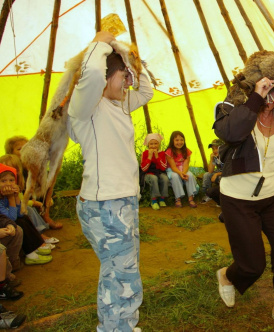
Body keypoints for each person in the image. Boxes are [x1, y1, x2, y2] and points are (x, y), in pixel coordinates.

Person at [213, 50, 274, 332]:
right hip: (238, 199)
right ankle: (228, 277)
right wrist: (255, 99)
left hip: (273, 197)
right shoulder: (233, 109)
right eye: (269, 88)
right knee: (252, 265)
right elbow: (230, 133)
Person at [67, 31, 153, 332]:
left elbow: (147, 92)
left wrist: (128, 61)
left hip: (119, 201)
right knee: (121, 274)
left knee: (121, 272)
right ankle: (116, 328)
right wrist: (103, 43)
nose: (129, 83)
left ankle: (120, 326)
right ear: (106, 77)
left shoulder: (116, 104)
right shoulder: (87, 106)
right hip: (106, 205)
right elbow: (90, 72)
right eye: (122, 76)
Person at [4, 136, 62, 229]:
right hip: (19, 201)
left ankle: (46, 217)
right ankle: (39, 223)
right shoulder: (12, 171)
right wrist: (34, 202)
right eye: (19, 149)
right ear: (11, 153)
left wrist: (48, 196)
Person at [0, 164, 53, 265]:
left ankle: (35, 247)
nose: (8, 184)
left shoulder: (7, 195)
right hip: (4, 224)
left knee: (23, 218)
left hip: (8, 220)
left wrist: (16, 197)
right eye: (3, 181)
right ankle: (30, 254)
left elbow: (20, 213)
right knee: (20, 223)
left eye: (11, 180)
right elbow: (11, 218)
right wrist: (11, 198)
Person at [165, 131, 198, 208]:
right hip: (172, 170)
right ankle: (178, 199)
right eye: (177, 140)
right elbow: (173, 167)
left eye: (181, 140)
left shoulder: (186, 151)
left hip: (184, 169)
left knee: (189, 175)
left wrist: (183, 173)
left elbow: (186, 164)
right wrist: (180, 174)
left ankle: (191, 198)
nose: (179, 142)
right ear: (172, 141)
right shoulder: (169, 151)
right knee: (175, 176)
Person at [140, 133, 169, 210]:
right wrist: (149, 157)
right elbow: (143, 169)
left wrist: (157, 157)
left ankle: (162, 199)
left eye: (156, 143)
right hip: (148, 174)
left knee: (165, 178)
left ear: (159, 144)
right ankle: (154, 200)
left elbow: (163, 168)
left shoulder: (162, 153)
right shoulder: (145, 153)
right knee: (153, 178)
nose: (153, 146)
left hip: (159, 172)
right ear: (148, 144)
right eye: (151, 144)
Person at [201, 139, 223, 204]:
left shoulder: (226, 156)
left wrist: (216, 174)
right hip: (218, 173)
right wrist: (211, 159)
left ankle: (221, 198)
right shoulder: (215, 157)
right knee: (206, 175)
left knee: (222, 179)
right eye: (213, 149)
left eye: (217, 148)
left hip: (226, 174)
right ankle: (207, 194)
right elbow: (210, 171)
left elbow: (229, 171)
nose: (215, 150)